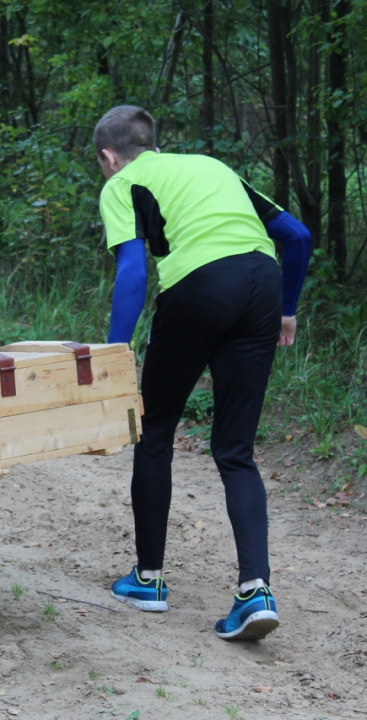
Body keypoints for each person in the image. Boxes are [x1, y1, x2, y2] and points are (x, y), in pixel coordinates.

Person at [94, 105, 311, 641]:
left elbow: (131, 270)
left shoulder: (122, 183)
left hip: (198, 287)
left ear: (108, 156)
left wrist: (114, 351)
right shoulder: (214, 167)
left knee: (156, 431)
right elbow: (298, 237)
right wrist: (287, 308)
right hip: (261, 281)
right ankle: (254, 591)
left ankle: (149, 579)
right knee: (236, 450)